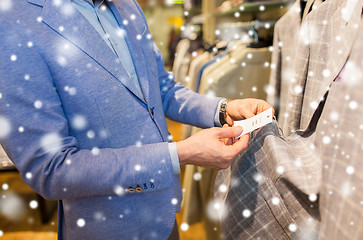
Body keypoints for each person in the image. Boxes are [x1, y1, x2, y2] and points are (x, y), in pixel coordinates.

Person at [0, 0, 271, 239]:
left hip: (163, 212)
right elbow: (52, 168)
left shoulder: (127, 5)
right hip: (106, 224)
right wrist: (178, 155)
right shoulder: (13, 24)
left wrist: (223, 109)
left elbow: (160, 87)